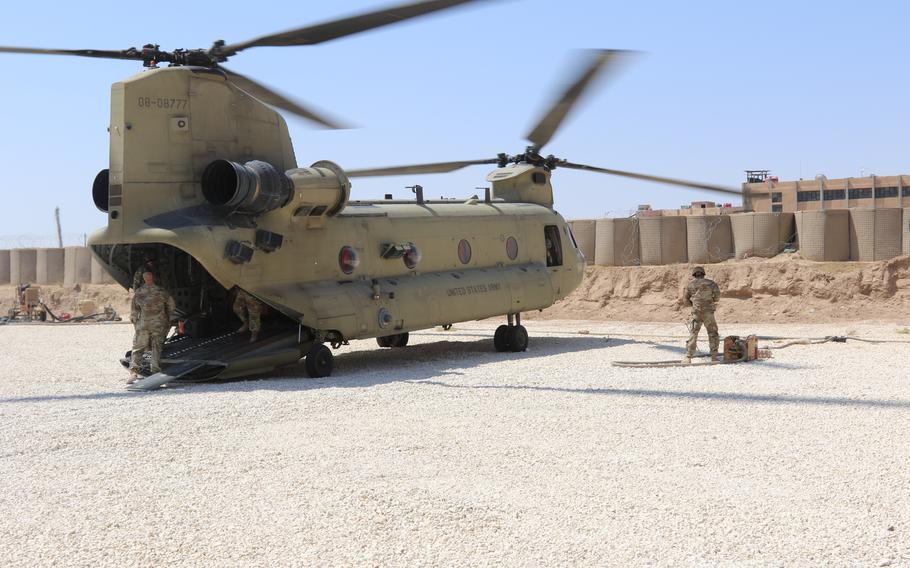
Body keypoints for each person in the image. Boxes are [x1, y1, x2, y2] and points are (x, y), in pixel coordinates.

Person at [128, 271, 176, 383]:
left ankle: (134, 372)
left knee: (138, 348)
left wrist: (137, 322)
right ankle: (155, 372)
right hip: (159, 324)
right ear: (153, 278)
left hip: (143, 324)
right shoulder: (161, 291)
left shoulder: (139, 292)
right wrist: (164, 315)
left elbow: (134, 311)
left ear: (144, 279)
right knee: (156, 348)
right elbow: (172, 306)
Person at [683, 266, 721, 363]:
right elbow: (717, 297)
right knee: (712, 333)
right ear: (703, 274)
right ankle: (714, 356)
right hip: (709, 313)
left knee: (693, 333)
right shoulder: (711, 283)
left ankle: (688, 357)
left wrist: (695, 305)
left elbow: (685, 301)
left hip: (697, 312)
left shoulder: (690, 285)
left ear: (694, 274)